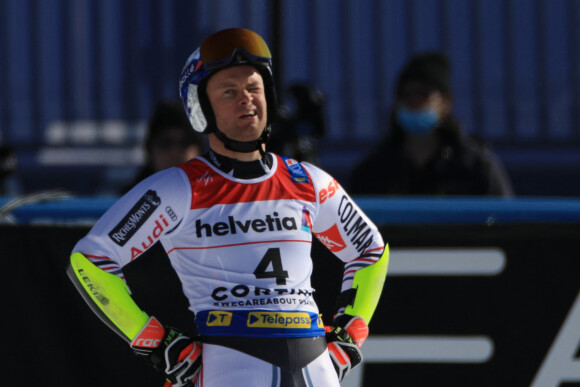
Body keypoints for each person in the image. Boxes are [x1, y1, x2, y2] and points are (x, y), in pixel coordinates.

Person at [67, 28, 389, 386]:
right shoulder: (179, 187)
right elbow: (91, 263)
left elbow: (370, 252)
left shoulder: (308, 181)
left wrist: (351, 336)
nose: (247, 100)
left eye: (254, 88)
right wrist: (157, 343)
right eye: (229, 92)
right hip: (233, 362)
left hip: (314, 363)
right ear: (201, 108)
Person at [349, 52, 514, 196]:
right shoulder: (373, 170)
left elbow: (503, 222)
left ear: (446, 103)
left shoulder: (475, 166)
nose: (413, 101)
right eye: (405, 94)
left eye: (423, 94)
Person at [121, 100, 205, 193]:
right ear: (150, 150)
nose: (174, 152)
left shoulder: (218, 201)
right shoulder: (129, 201)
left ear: (200, 150)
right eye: (165, 143)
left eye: (185, 143)